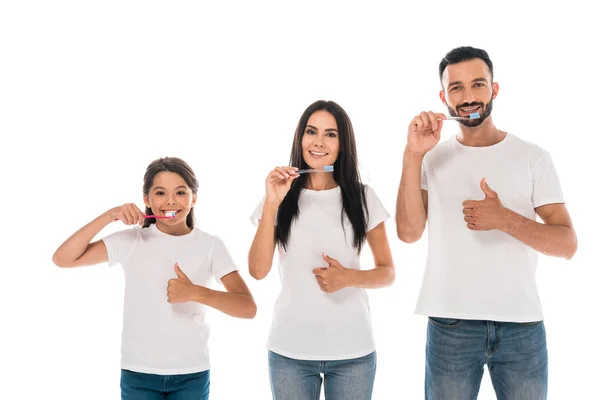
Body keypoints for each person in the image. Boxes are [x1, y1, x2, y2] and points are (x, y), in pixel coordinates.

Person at [395, 46, 578, 399]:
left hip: (522, 326)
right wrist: (413, 153)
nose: (468, 97)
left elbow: (567, 244)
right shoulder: (429, 157)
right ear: (443, 97)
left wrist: (505, 219)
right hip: (451, 326)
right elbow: (408, 232)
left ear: (494, 89)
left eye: (478, 85)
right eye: (456, 88)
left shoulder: (533, 157)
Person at [53, 156, 256, 400]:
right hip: (138, 374)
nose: (170, 200)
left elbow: (247, 308)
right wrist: (109, 215)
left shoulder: (211, 245)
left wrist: (195, 292)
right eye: (160, 193)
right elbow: (63, 258)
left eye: (180, 192)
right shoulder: (131, 241)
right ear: (147, 200)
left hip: (191, 373)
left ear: (194, 198)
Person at [249, 100, 395, 400]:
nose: (319, 141)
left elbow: (387, 272)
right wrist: (272, 202)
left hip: (353, 351)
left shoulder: (363, 197)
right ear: (299, 138)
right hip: (290, 351)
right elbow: (258, 270)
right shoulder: (278, 198)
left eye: (331, 134)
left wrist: (348, 278)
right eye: (311, 131)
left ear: (342, 144)